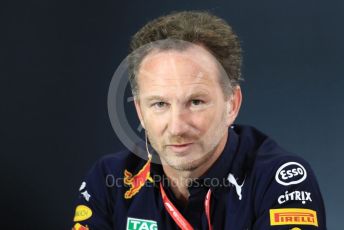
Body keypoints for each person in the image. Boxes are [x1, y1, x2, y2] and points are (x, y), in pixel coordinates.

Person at [71, 11, 326, 230]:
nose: (178, 127)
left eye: (195, 102)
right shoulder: (110, 179)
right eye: (160, 104)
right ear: (140, 111)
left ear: (232, 104)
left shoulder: (280, 180)